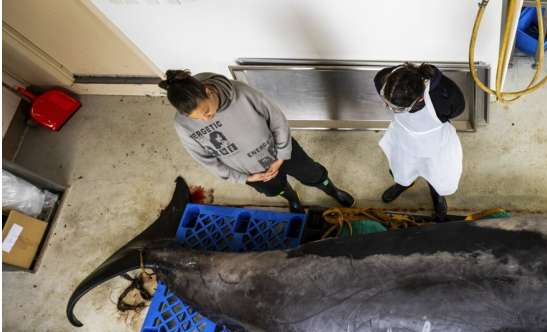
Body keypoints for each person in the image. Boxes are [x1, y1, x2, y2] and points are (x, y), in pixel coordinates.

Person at [159, 70, 354, 212]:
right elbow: (205, 159)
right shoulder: (183, 125)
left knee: (313, 173)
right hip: (252, 171)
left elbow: (277, 120)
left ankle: (332, 190)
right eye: (197, 119)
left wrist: (282, 155)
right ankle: (293, 200)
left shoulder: (242, 93)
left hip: (280, 150)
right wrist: (243, 178)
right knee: (275, 188)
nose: (206, 120)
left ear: (209, 92)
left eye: (207, 112)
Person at [374, 63, 465, 222]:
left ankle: (436, 194)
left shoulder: (443, 97)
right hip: (403, 138)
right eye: (387, 102)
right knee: (401, 169)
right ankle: (404, 183)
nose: (387, 107)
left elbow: (457, 109)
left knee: (436, 173)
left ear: (420, 98)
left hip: (436, 145)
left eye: (395, 108)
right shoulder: (384, 79)